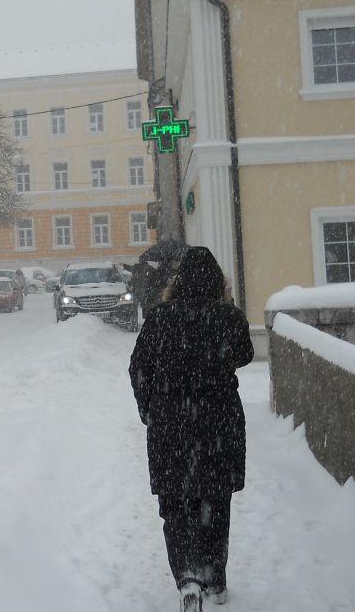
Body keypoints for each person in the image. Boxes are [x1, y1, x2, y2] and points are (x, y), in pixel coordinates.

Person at [128, 246, 254, 611]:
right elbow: (244, 355)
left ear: (178, 281)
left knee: (177, 505)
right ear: (217, 281)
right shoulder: (227, 317)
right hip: (219, 422)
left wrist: (148, 409)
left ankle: (187, 579)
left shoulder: (159, 319)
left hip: (171, 425)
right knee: (215, 500)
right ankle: (215, 581)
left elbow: (138, 368)